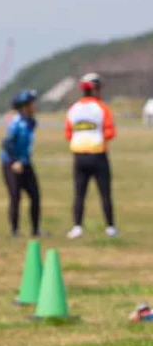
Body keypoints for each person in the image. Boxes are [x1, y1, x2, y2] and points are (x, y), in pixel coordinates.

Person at [65, 73, 117, 239]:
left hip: (79, 156)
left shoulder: (73, 109)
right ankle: (110, 227)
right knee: (105, 193)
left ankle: (77, 227)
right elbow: (110, 132)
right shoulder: (101, 108)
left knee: (79, 193)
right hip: (98, 155)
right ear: (95, 89)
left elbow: (68, 134)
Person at [0, 89, 42, 237]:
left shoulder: (31, 121)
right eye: (32, 103)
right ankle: (15, 230)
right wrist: (15, 161)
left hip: (25, 162)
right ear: (25, 106)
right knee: (15, 196)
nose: (35, 106)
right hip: (12, 163)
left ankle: (36, 230)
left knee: (35, 195)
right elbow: (7, 144)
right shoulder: (16, 123)